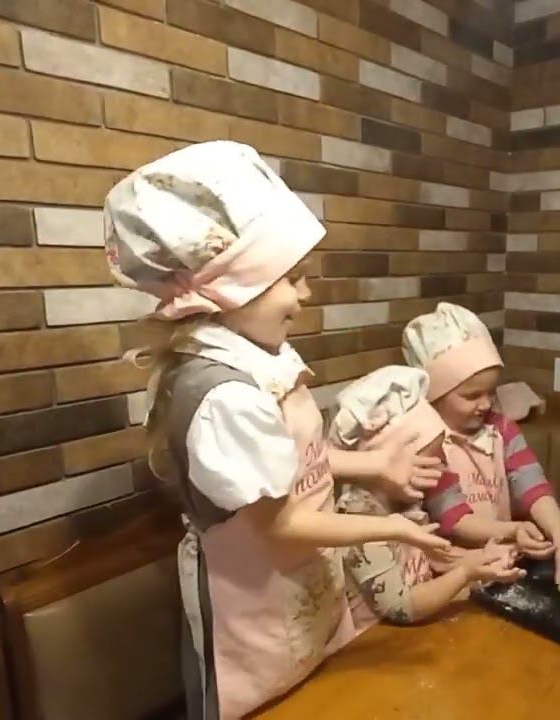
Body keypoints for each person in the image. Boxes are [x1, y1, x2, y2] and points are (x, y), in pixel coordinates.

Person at [104, 142, 450, 720]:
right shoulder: (224, 395)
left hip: (301, 592)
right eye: (293, 278)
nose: (305, 295)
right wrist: (393, 527)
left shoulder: (258, 357)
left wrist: (373, 465)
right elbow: (281, 522)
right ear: (236, 286)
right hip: (251, 611)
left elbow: (285, 464)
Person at [403, 302, 560, 594]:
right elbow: (453, 518)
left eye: (490, 391)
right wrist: (512, 530)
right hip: (447, 574)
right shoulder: (427, 444)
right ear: (434, 395)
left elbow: (533, 486)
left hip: (500, 561)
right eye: (472, 395)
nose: (485, 404)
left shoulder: (501, 429)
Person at [330, 365, 523, 629]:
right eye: (426, 464)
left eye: (440, 461)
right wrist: (465, 573)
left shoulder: (407, 503)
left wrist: (482, 558)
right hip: (376, 641)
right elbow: (401, 607)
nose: (438, 474)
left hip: (418, 635)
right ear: (385, 464)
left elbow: (433, 559)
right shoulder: (358, 521)